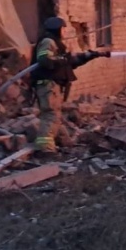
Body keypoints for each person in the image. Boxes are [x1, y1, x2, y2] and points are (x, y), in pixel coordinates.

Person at [30, 17, 110, 153]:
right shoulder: (48, 41)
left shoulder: (56, 44)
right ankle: (44, 148)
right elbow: (44, 59)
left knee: (54, 114)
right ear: (57, 29)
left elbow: (68, 63)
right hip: (48, 85)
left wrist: (89, 56)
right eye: (63, 29)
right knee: (50, 115)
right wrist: (65, 58)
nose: (64, 32)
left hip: (52, 85)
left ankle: (56, 141)